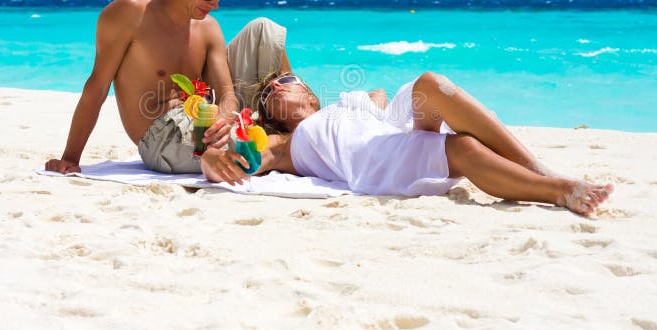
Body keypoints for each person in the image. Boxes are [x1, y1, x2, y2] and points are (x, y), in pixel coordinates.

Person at [200, 71, 614, 216]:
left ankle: (537, 167)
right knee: (463, 151)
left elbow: (379, 96)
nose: (275, 87)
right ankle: (558, 190)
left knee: (430, 85)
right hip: (375, 164)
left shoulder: (347, 106)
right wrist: (214, 157)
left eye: (284, 82)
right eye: (270, 90)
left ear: (310, 95)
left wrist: (364, 104)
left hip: (390, 136)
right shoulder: (286, 142)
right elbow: (247, 158)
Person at [44, 0, 290, 174]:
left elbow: (226, 94)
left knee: (264, 30)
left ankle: (298, 127)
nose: (215, 4)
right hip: (161, 136)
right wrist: (70, 158)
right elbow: (97, 87)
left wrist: (223, 122)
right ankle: (261, 148)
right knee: (279, 147)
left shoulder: (208, 28)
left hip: (204, 122)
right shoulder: (130, 14)